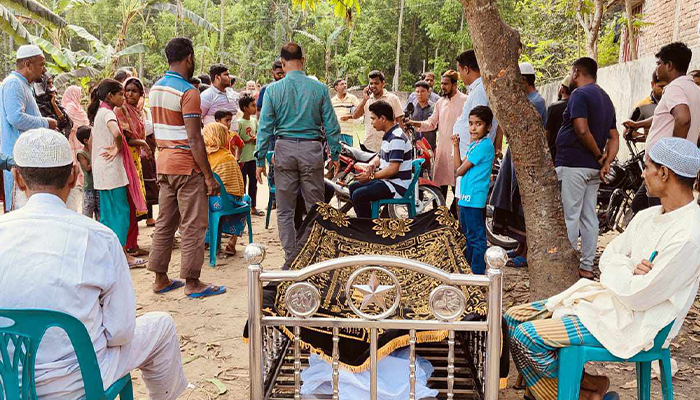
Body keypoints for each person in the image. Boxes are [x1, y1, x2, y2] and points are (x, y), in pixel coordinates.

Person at [505, 137, 700, 400]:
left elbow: (640, 295)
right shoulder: (647, 216)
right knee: (513, 318)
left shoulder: (689, 234)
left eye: (647, 167)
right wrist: (629, 267)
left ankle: (582, 396)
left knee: (526, 338)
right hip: (611, 302)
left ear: (664, 173)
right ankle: (589, 388)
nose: (642, 174)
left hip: (639, 321)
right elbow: (609, 256)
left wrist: (621, 272)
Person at [0, 127, 187, 400]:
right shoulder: (99, 237)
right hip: (81, 383)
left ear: (17, 179)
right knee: (161, 326)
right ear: (75, 176)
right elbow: (120, 332)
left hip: (7, 384)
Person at [148, 37, 225, 298]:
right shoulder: (188, 92)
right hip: (185, 166)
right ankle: (192, 282)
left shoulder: (156, 88)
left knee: (165, 221)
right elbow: (194, 138)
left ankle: (160, 278)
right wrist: (208, 176)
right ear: (189, 57)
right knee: (193, 223)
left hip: (164, 163)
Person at [255, 42, 341, 260]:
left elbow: (264, 127)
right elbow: (331, 125)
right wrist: (335, 154)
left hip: (283, 149)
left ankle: (291, 257)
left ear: (282, 63)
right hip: (312, 149)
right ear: (303, 61)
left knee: (285, 210)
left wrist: (259, 160)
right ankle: (315, 255)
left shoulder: (273, 90)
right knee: (316, 207)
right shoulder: (319, 89)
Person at [555, 57, 619, 279]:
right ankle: (586, 265)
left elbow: (581, 130)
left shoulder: (579, 95)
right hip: (592, 169)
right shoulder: (606, 98)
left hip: (574, 164)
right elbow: (613, 136)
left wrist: (599, 155)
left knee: (570, 216)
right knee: (588, 217)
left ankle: (569, 267)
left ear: (575, 72)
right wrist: (606, 161)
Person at [623, 42, 700, 212]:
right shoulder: (692, 88)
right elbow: (664, 116)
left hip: (663, 169)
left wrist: (670, 158)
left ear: (669, 65)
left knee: (660, 213)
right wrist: (638, 124)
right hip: (663, 168)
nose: (657, 69)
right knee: (640, 204)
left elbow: (683, 118)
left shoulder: (675, 88)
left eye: (659, 64)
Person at [490, 62, 547, 268]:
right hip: (515, 158)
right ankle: (521, 248)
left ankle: (527, 251)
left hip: (526, 162)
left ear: (523, 80)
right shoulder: (528, 100)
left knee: (523, 207)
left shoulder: (535, 102)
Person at [87, 79, 147, 268]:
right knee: (121, 212)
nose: (124, 97)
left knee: (107, 213)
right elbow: (117, 133)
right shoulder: (107, 113)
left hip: (102, 171)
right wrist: (117, 148)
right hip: (111, 170)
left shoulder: (100, 112)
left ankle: (111, 254)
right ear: (109, 96)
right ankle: (123, 255)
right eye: (121, 94)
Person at [0, 44, 57, 211]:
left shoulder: (24, 84)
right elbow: (16, 118)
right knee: (20, 208)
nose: (44, 70)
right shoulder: (13, 84)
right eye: (41, 64)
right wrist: (45, 123)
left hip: (26, 156)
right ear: (28, 64)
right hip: (16, 157)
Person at [407, 70, 468, 217]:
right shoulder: (440, 102)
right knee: (439, 187)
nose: (442, 87)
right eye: (441, 83)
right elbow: (432, 123)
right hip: (442, 150)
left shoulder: (466, 100)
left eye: (446, 84)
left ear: (455, 84)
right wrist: (413, 123)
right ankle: (438, 219)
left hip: (459, 151)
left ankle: (453, 217)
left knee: (458, 189)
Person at [349, 100, 414, 218]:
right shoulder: (389, 134)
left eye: (373, 119)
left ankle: (368, 228)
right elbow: (380, 156)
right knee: (353, 187)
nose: (371, 122)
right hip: (388, 181)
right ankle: (368, 221)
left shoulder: (397, 138)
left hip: (396, 185)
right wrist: (371, 165)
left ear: (383, 118)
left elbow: (393, 169)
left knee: (359, 195)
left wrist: (371, 176)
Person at [452, 106, 495, 274]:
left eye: (478, 124)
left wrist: (459, 168)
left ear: (488, 127)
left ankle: (477, 273)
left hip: (475, 199)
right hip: (467, 197)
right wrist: (455, 146)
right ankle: (469, 270)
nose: (473, 128)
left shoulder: (484, 146)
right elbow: (458, 168)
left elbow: (460, 170)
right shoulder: (474, 145)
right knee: (469, 236)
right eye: (470, 123)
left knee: (476, 238)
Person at [115, 77, 154, 257]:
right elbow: (127, 137)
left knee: (134, 202)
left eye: (134, 91)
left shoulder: (139, 112)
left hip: (136, 159)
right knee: (129, 202)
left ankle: (133, 243)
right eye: (127, 90)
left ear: (141, 94)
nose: (129, 94)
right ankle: (129, 245)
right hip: (126, 159)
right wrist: (144, 144)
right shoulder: (120, 110)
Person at [203, 122, 249, 255]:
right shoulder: (228, 156)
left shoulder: (204, 156)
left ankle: (210, 241)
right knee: (246, 199)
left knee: (212, 208)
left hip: (209, 203)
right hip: (229, 203)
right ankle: (232, 241)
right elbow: (239, 186)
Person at [453, 49, 503, 158]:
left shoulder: (480, 91)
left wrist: (469, 158)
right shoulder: (478, 89)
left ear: (466, 69)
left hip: (472, 157)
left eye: (459, 70)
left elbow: (478, 125)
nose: (460, 75)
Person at [352, 70, 404, 152]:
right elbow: (355, 116)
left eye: (376, 83)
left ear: (383, 83)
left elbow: (400, 122)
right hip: (368, 145)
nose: (373, 86)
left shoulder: (393, 99)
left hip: (387, 145)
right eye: (371, 83)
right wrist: (364, 100)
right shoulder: (367, 100)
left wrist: (400, 142)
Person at [238, 93, 264, 216]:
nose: (255, 108)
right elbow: (236, 140)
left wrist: (256, 138)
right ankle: (242, 207)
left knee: (253, 183)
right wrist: (247, 141)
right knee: (242, 183)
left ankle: (253, 207)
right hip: (242, 159)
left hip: (253, 157)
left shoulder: (254, 121)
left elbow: (259, 133)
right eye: (252, 106)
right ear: (245, 108)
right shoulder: (239, 122)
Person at [200, 63, 239, 130]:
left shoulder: (232, 93)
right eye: (226, 75)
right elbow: (198, 119)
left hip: (233, 138)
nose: (230, 77)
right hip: (214, 139)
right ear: (217, 77)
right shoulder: (207, 95)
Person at [35, 74, 73, 138]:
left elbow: (64, 122)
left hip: (59, 137)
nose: (51, 86)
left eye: (52, 83)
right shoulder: (37, 104)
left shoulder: (54, 101)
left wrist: (54, 104)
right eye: (48, 83)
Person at [544, 76, 572, 162]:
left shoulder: (554, 107)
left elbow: (547, 134)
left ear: (562, 89)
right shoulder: (579, 106)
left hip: (556, 155)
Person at [61, 85, 91, 162]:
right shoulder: (70, 107)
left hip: (81, 134)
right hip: (74, 136)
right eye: (79, 93)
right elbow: (71, 123)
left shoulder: (77, 106)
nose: (80, 95)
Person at [404, 80, 437, 150]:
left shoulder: (435, 108)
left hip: (430, 147)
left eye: (423, 91)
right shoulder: (411, 107)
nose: (420, 94)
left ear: (428, 92)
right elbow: (402, 118)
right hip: (415, 147)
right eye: (417, 92)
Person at [76, 126, 99, 220]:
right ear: (86, 141)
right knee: (87, 215)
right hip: (89, 188)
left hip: (98, 187)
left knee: (100, 214)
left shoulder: (96, 150)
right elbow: (88, 168)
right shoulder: (81, 154)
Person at [331, 78, 360, 146]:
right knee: (336, 155)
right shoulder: (332, 101)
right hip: (335, 134)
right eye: (342, 84)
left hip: (348, 133)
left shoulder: (352, 98)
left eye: (345, 84)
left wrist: (349, 117)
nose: (345, 86)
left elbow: (360, 112)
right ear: (336, 87)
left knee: (347, 155)